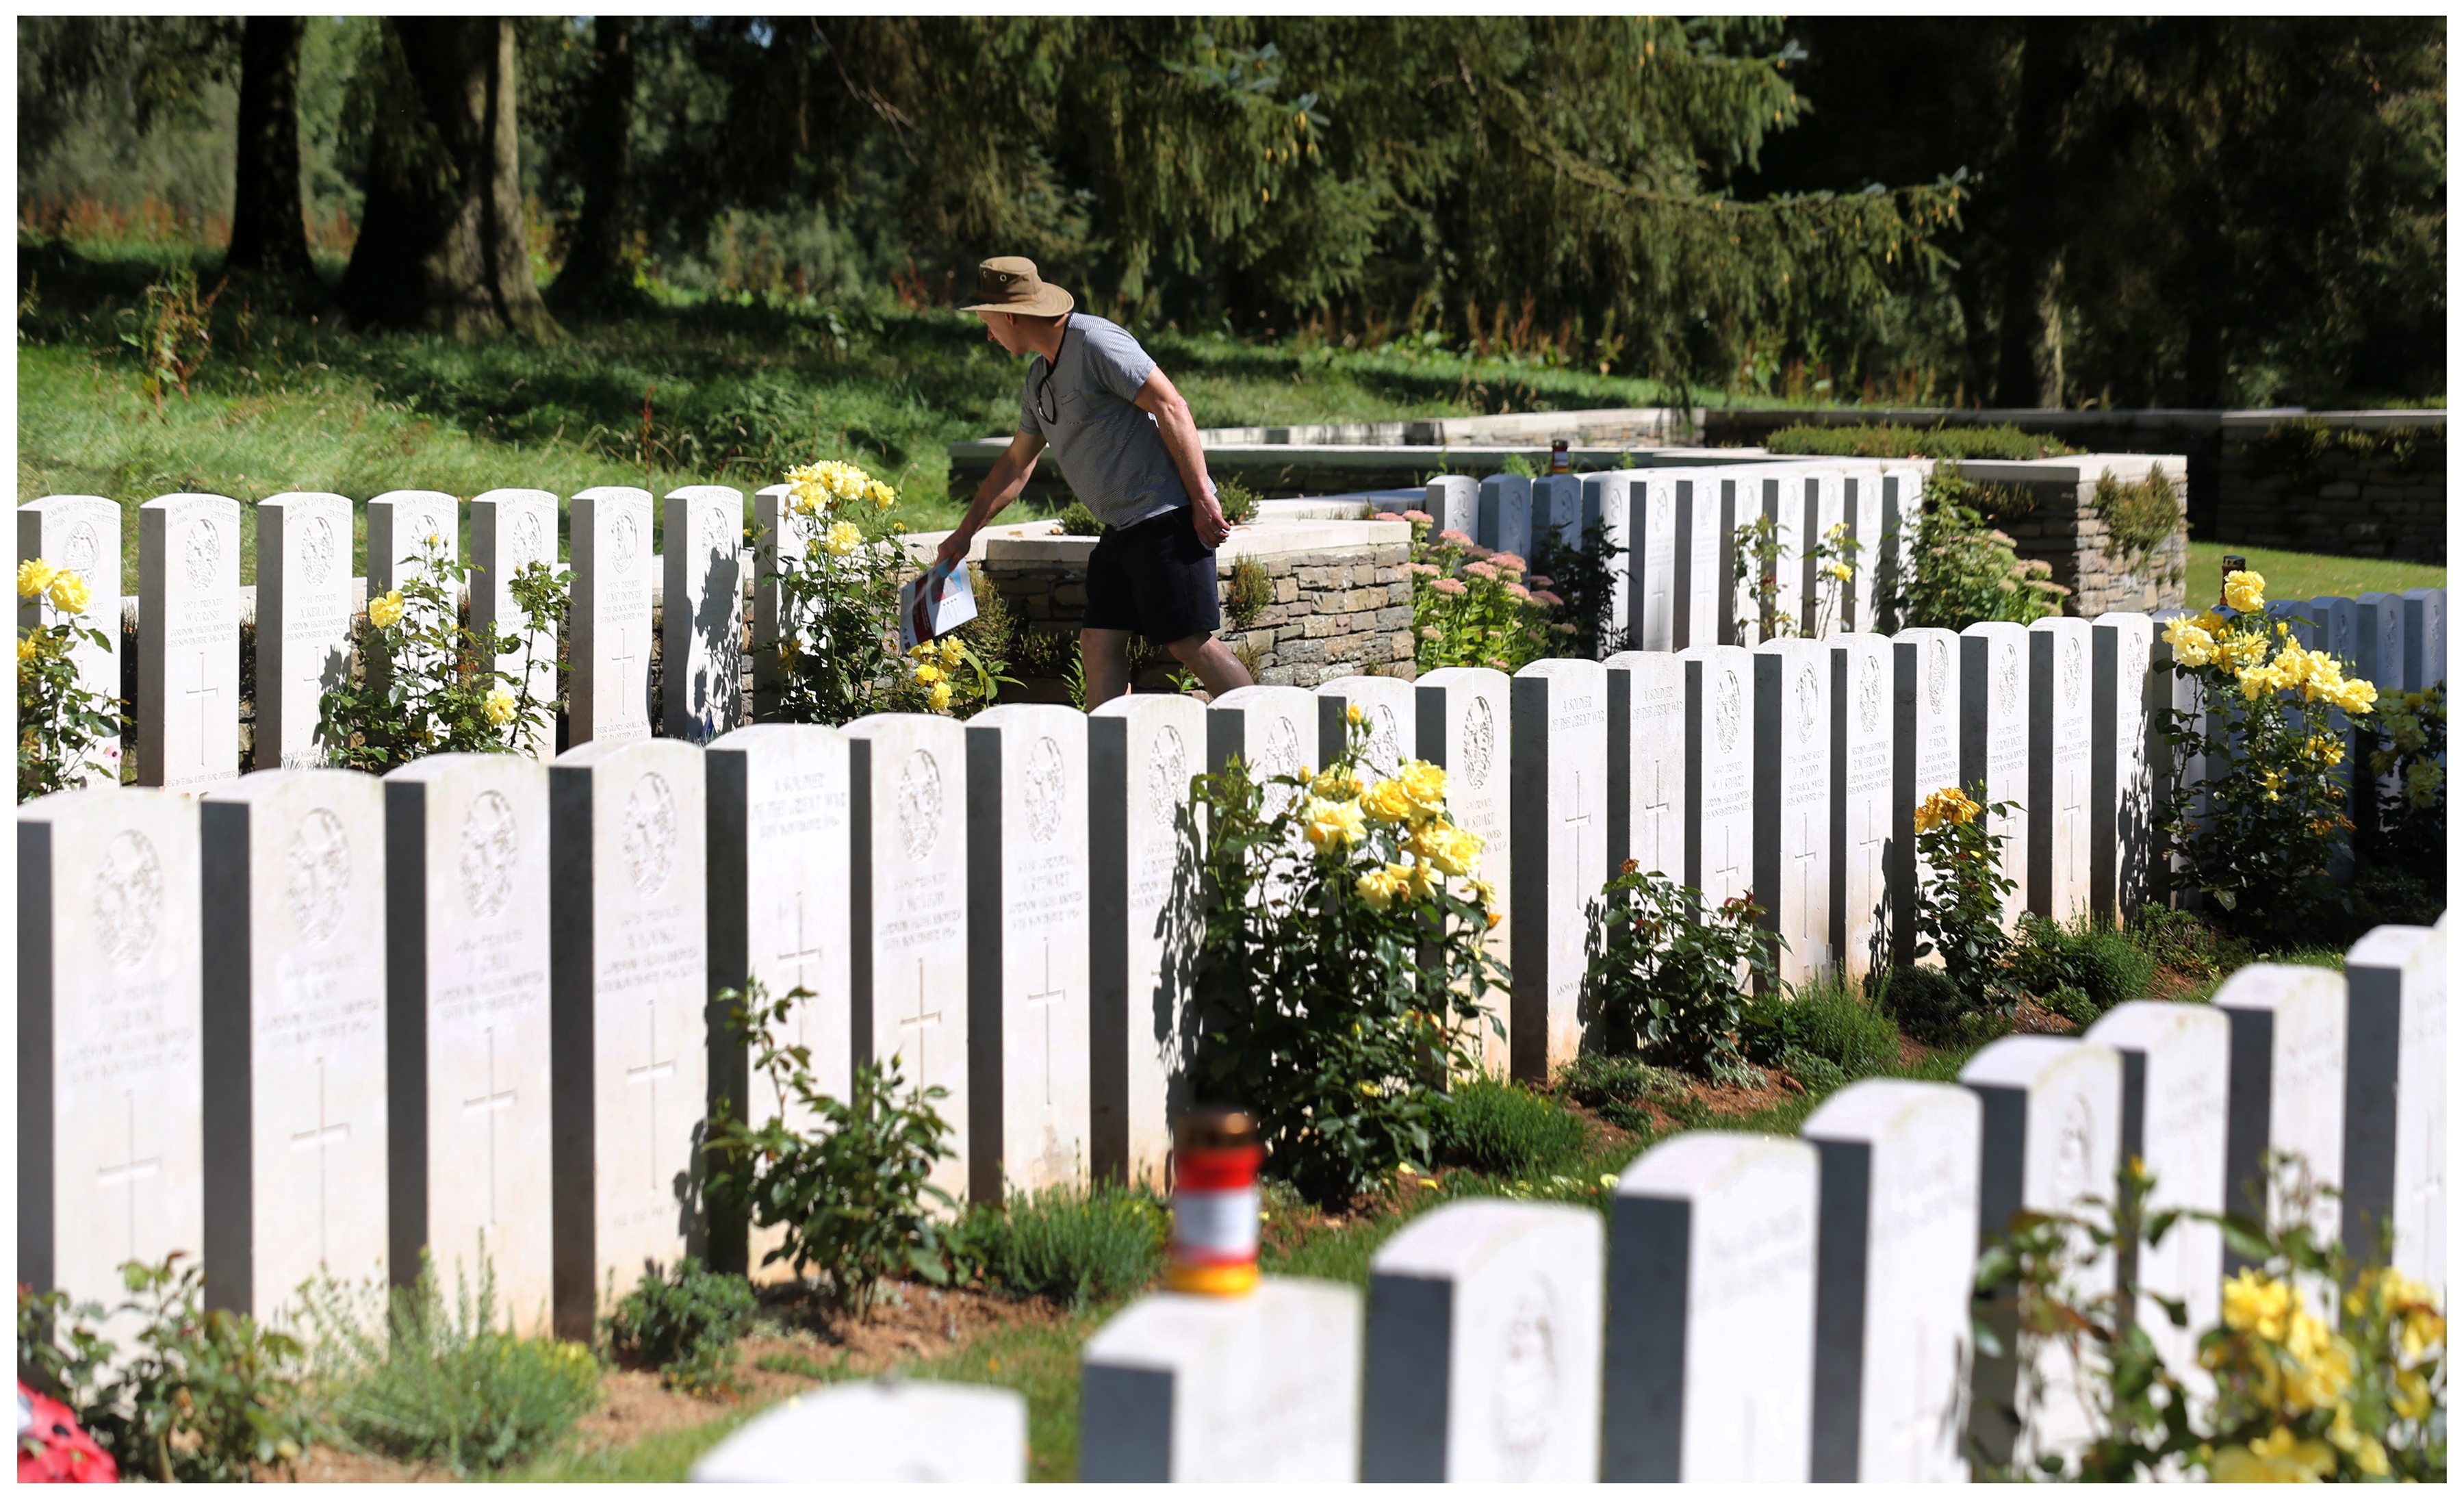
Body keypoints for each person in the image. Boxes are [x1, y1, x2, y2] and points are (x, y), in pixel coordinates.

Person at [938, 256, 1253, 706]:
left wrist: (1202, 495)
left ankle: (1270, 731)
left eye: (988, 322)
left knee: (1188, 643)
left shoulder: (1096, 342)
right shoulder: (1036, 379)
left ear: (1010, 316)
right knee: (1098, 640)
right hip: (1123, 530)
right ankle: (1105, 759)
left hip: (1166, 516)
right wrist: (964, 532)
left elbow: (1172, 406)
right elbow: (1016, 464)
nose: (988, 334)